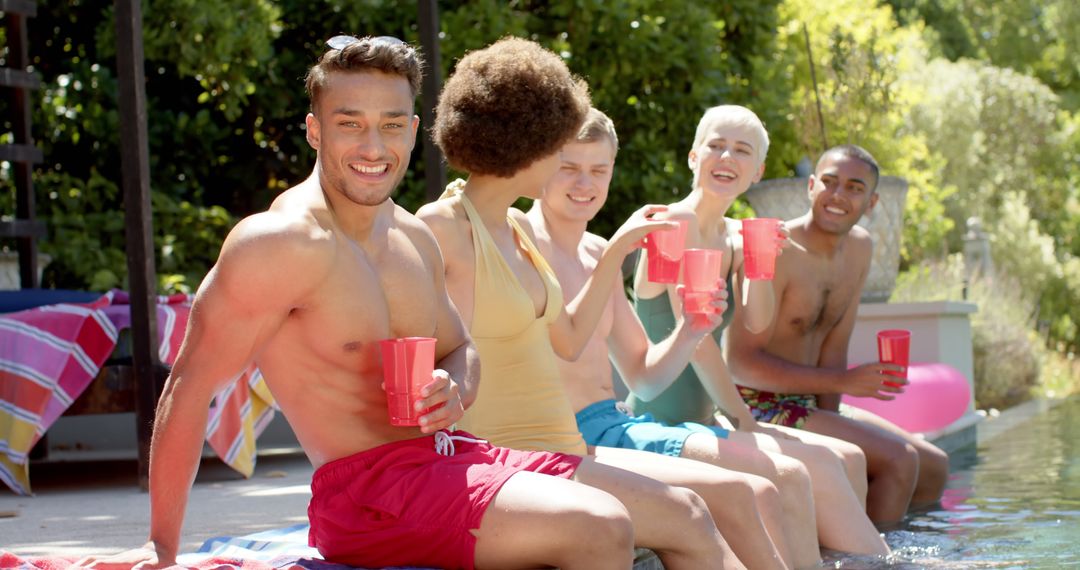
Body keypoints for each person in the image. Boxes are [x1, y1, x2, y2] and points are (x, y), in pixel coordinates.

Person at [79, 36, 725, 570]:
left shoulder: (411, 236)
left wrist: (456, 387)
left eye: (391, 125)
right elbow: (188, 390)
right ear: (313, 130)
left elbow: (458, 346)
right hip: (365, 492)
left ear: (414, 131)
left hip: (456, 457)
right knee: (599, 527)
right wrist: (159, 546)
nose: (372, 147)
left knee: (687, 515)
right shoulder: (279, 245)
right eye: (349, 124)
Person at [419, 37, 786, 569]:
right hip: (509, 456)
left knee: (697, 508)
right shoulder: (440, 226)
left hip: (563, 446)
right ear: (529, 143)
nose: (576, 175)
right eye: (562, 152)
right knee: (688, 513)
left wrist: (627, 264)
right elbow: (415, 346)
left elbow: (566, 338)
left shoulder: (516, 227)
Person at [527, 106, 888, 561]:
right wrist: (742, 419)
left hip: (655, 415)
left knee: (841, 460)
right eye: (717, 145)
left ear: (757, 172)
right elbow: (686, 352)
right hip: (664, 416)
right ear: (694, 156)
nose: (727, 157)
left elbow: (747, 324)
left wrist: (759, 266)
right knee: (786, 474)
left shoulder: (720, 237)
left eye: (742, 150)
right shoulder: (663, 227)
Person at [725, 144, 949, 524]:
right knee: (899, 460)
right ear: (811, 186)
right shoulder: (777, 250)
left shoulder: (860, 248)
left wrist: (838, 423)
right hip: (754, 405)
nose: (838, 195)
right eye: (829, 182)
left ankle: (907, 547)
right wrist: (843, 382)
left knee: (934, 466)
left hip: (808, 403)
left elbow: (834, 345)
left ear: (872, 201)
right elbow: (740, 365)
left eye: (854, 187)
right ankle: (874, 561)